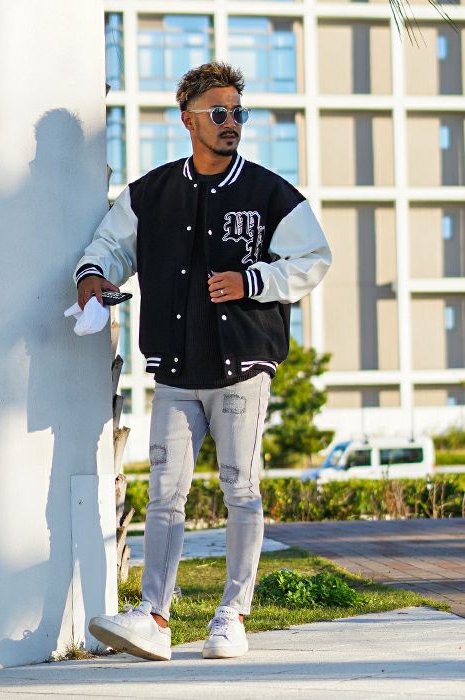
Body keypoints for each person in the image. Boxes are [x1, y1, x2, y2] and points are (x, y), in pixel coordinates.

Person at [76, 62, 331, 662]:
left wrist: (253, 280)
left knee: (241, 488)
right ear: (188, 119)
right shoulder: (151, 193)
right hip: (176, 369)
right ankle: (155, 617)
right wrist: (92, 276)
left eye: (238, 112)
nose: (231, 122)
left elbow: (314, 259)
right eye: (219, 112)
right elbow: (110, 246)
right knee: (165, 495)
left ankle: (232, 616)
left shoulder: (270, 193)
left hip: (243, 367)